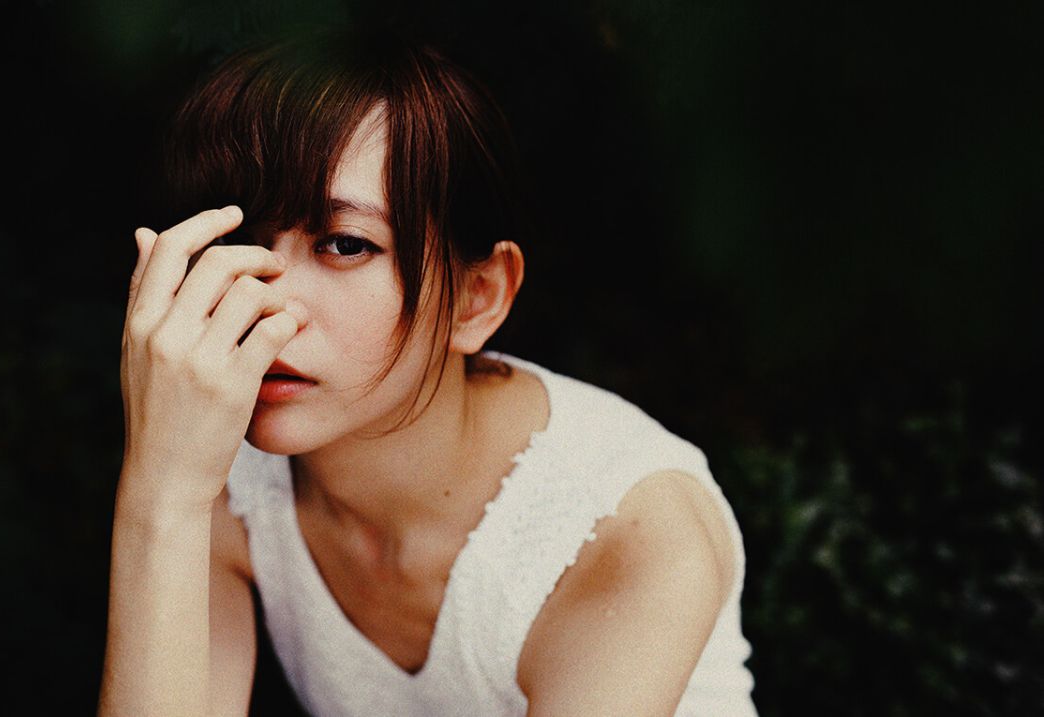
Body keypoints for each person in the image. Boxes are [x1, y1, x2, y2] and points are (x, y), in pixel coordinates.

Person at [102, 26, 757, 717]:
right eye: (240, 242)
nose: (266, 304)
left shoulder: (629, 528)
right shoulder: (207, 461)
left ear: (478, 297)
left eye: (344, 244)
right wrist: (163, 491)